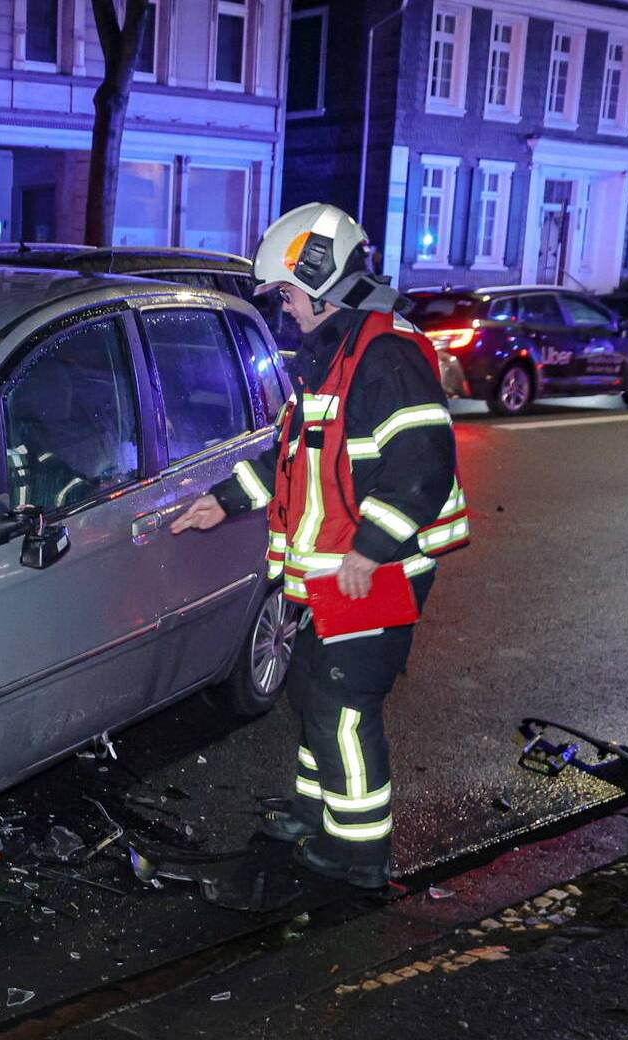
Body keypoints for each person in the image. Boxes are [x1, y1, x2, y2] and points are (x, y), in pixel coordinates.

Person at [170, 202, 469, 888]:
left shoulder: (384, 357)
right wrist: (224, 501)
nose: (283, 309)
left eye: (285, 294)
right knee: (312, 693)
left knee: (342, 708)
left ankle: (359, 849)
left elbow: (423, 466)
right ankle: (317, 809)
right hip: (336, 573)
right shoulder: (332, 354)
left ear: (321, 282)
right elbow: (290, 455)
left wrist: (369, 550)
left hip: (374, 573)